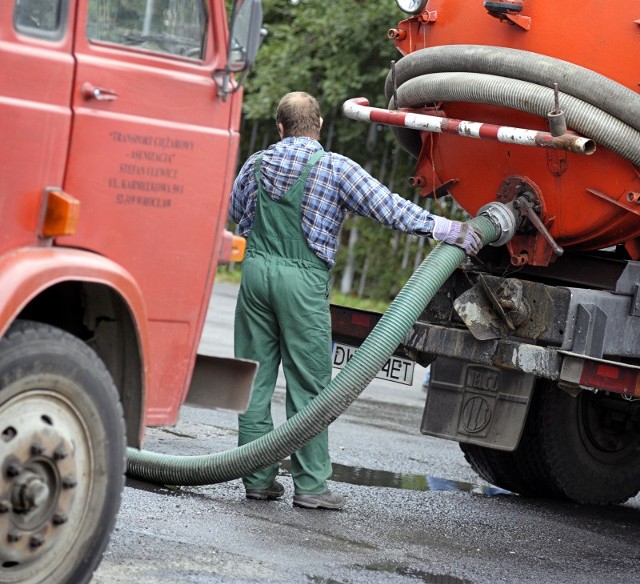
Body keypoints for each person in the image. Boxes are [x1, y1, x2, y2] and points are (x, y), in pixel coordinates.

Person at [229, 91, 481, 510]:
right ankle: (310, 487)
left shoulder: (257, 163)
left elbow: (239, 211)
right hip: (302, 281)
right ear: (320, 125)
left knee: (252, 379)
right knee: (309, 387)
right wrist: (445, 229)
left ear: (280, 127)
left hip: (255, 274)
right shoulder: (334, 168)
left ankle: (257, 479)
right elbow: (390, 210)